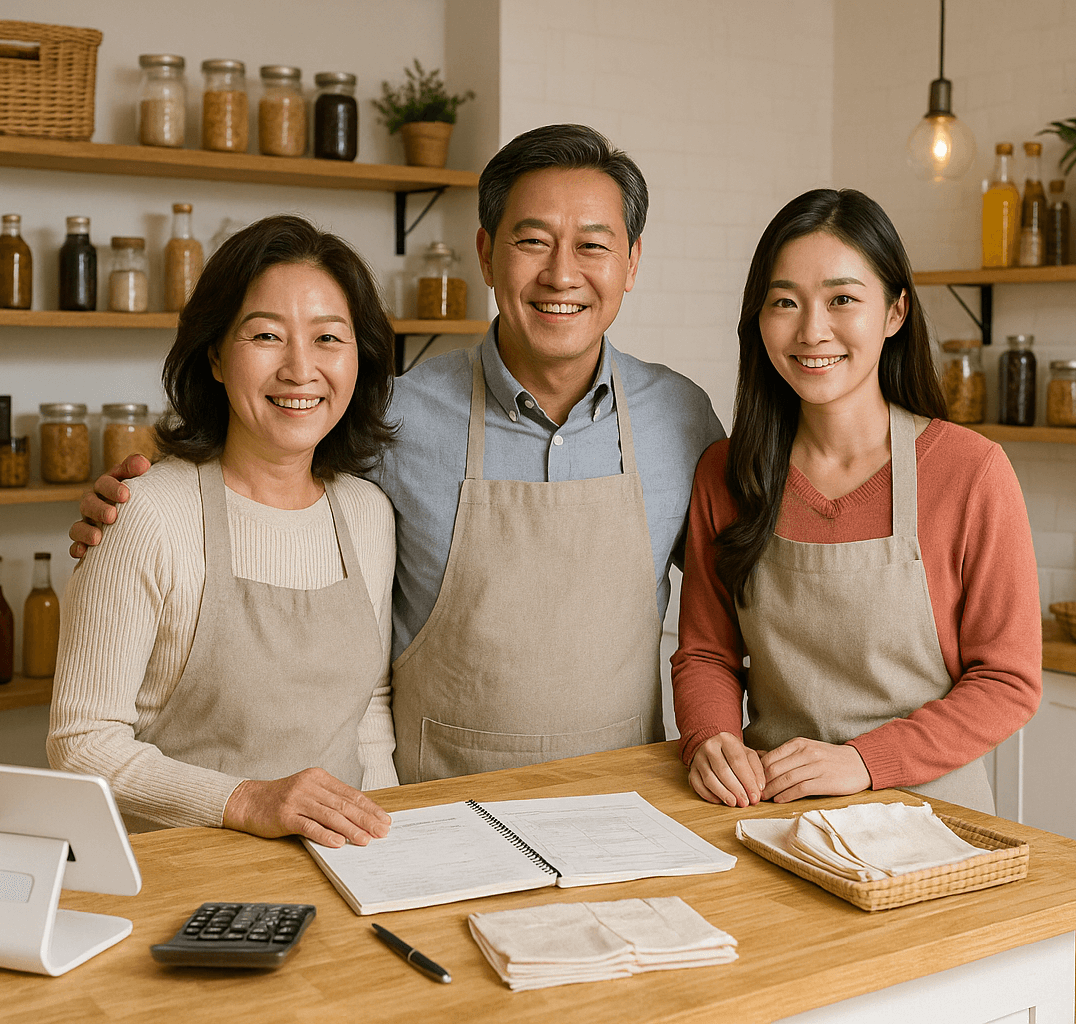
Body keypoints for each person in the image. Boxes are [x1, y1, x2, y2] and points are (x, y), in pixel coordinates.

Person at [71, 125, 725, 785]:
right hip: (438, 807)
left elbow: (735, 605)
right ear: (486, 253)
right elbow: (262, 475)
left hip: (623, 798)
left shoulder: (680, 416)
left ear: (633, 262)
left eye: (593, 245)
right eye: (531, 241)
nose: (561, 273)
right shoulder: (392, 415)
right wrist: (129, 511)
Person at [672, 189, 1041, 814]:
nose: (812, 330)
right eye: (785, 302)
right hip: (769, 812)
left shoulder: (971, 472)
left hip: (930, 818)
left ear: (895, 312)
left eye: (842, 299)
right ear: (758, 319)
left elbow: (1008, 682)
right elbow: (707, 651)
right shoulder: (726, 472)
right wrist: (710, 738)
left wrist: (864, 761)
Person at [48, 215, 399, 848]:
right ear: (214, 355)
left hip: (346, 869)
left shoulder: (367, 512)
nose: (300, 369)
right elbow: (80, 745)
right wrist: (245, 800)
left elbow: (368, 706)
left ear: (359, 358)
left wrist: (388, 833)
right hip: (182, 874)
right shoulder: (149, 513)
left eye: (328, 338)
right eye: (266, 335)